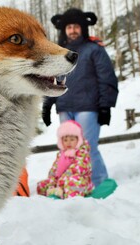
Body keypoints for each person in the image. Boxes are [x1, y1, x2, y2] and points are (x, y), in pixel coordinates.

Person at [42, 8, 119, 187]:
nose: (73, 30)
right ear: (64, 30)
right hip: (64, 107)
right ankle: (75, 183)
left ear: (83, 28)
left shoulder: (94, 49)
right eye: (69, 27)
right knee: (69, 149)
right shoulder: (60, 52)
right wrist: (47, 105)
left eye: (76, 26)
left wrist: (105, 106)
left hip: (88, 107)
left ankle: (99, 183)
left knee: (87, 148)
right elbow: (54, 79)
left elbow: (106, 78)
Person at [37, 120, 94, 199]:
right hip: (61, 182)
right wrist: (52, 178)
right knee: (42, 185)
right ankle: (56, 192)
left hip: (81, 183)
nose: (68, 143)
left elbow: (79, 167)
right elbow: (55, 168)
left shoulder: (82, 152)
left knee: (73, 181)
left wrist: (62, 179)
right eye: (65, 140)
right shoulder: (61, 154)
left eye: (72, 139)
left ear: (79, 139)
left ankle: (71, 200)